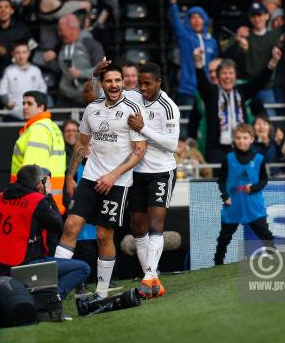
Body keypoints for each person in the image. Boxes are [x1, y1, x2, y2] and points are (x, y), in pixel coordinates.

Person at [54, 62, 148, 299]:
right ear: (103, 84)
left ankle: (102, 291)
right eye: (109, 81)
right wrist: (69, 176)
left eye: (118, 80)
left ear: (123, 83)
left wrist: (113, 175)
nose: (114, 85)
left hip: (117, 182)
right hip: (90, 177)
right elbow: (82, 144)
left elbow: (139, 150)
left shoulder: (132, 109)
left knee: (103, 235)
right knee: (70, 226)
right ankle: (53, 288)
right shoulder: (92, 108)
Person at [0, 164, 91, 300]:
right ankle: (51, 299)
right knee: (83, 268)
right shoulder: (37, 201)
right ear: (39, 184)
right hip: (21, 268)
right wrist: (48, 195)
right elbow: (58, 226)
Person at [126, 62, 180, 299]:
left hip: (161, 171)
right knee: (138, 227)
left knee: (156, 225)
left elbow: (172, 144)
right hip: (136, 172)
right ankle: (153, 277)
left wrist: (143, 128)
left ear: (159, 82)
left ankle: (148, 277)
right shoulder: (134, 97)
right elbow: (98, 93)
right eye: (141, 82)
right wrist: (98, 76)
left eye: (148, 83)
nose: (143, 87)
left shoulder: (169, 107)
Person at [195, 49, 281, 166]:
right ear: (218, 77)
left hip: (242, 147)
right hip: (217, 150)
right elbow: (202, 83)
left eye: (230, 73)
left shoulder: (241, 91)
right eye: (224, 73)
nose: (227, 77)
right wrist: (198, 63)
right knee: (218, 183)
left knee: (243, 182)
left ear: (235, 76)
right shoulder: (211, 93)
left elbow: (259, 81)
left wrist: (273, 62)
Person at [214, 123, 275, 265]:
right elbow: (221, 181)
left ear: (252, 139)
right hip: (233, 205)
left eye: (245, 138)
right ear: (234, 139)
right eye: (238, 138)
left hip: (253, 205)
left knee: (266, 235)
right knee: (224, 238)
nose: (241, 141)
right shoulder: (228, 159)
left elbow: (264, 180)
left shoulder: (259, 159)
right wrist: (225, 195)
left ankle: (275, 260)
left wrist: (253, 188)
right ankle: (217, 265)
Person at [167, 0, 218, 138]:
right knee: (185, 123)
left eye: (199, 17)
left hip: (206, 89)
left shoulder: (212, 42)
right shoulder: (185, 37)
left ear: (205, 20)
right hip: (188, 88)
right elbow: (176, 23)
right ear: (188, 21)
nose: (196, 20)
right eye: (192, 17)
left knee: (206, 121)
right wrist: (173, 3)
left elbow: (215, 65)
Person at [10, 91, 66, 214]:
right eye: (23, 103)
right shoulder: (51, 126)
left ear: (41, 108)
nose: (24, 107)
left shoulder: (38, 129)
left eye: (29, 104)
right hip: (50, 199)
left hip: (35, 201)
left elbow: (31, 170)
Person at [229, 2, 280, 116]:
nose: (257, 18)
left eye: (260, 14)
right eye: (253, 16)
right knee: (242, 118)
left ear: (267, 16)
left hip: (265, 86)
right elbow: (229, 59)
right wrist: (239, 44)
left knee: (269, 120)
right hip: (246, 86)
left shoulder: (274, 36)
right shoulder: (244, 35)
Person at [53, 13, 104, 107]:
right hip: (65, 95)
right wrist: (50, 61)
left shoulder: (91, 44)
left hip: (88, 96)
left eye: (61, 30)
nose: (59, 34)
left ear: (72, 29)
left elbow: (102, 69)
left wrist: (80, 73)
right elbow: (60, 70)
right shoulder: (62, 45)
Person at [0, 40, 47, 121]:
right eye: (18, 52)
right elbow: (2, 92)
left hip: (34, 115)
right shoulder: (8, 71)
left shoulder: (36, 70)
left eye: (24, 52)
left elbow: (43, 89)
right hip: (14, 114)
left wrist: (38, 103)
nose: (21, 56)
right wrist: (7, 102)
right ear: (13, 54)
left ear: (29, 53)